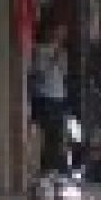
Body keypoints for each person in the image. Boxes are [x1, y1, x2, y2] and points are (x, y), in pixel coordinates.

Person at [32, 21, 69, 172]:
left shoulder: (62, 52)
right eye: (58, 32)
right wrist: (52, 59)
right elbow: (39, 71)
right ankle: (44, 167)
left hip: (59, 96)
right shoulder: (40, 50)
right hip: (45, 96)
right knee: (46, 133)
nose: (60, 36)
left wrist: (60, 60)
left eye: (63, 33)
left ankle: (55, 167)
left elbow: (64, 73)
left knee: (58, 134)